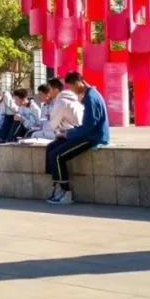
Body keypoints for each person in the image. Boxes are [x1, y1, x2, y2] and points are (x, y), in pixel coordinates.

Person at [45, 71, 110, 205]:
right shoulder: (89, 95)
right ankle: (56, 183)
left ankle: (66, 192)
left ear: (78, 83)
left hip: (92, 137)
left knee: (57, 156)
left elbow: (89, 126)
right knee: (51, 147)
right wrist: (67, 134)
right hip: (86, 133)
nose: (72, 90)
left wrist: (69, 134)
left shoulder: (91, 98)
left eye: (72, 87)